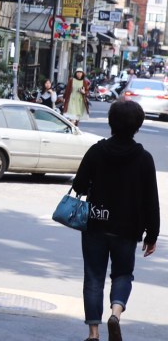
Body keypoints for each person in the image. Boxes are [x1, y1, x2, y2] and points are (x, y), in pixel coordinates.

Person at [71, 99, 160, 341]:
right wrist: (152, 235)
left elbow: (78, 185)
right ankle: (116, 314)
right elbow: (151, 200)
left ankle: (93, 333)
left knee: (93, 277)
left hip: (95, 223)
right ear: (137, 126)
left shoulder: (96, 151)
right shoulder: (144, 158)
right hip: (128, 229)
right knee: (122, 274)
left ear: (111, 123)